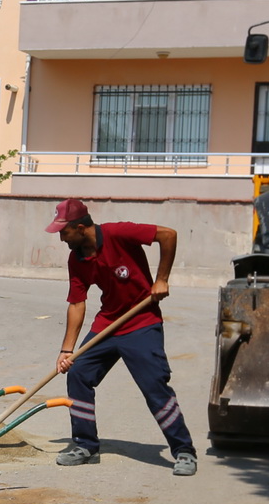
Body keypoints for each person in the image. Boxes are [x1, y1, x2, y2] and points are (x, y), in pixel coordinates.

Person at [47, 199, 197, 476]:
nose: (60, 237)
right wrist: (67, 350)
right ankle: (85, 445)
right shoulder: (77, 258)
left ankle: (184, 450)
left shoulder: (119, 233)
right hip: (108, 325)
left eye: (63, 232)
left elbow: (168, 234)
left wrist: (161, 278)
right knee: (78, 373)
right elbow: (77, 303)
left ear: (80, 228)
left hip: (142, 322)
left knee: (154, 385)